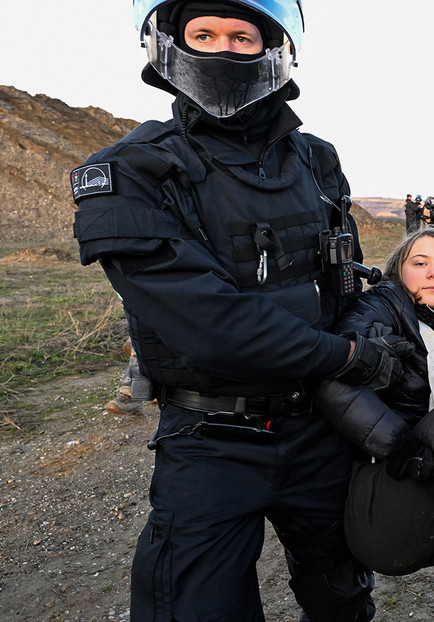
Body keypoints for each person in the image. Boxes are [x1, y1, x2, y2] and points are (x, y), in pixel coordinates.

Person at [69, 2, 403, 620]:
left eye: (242, 36)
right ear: (169, 45)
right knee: (196, 606)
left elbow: (347, 281)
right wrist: (350, 356)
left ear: (273, 49)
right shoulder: (129, 170)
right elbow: (208, 322)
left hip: (321, 426)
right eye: (204, 34)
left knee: (341, 593)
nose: (223, 49)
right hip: (209, 439)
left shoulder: (317, 160)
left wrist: (376, 333)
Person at [312, 227, 434, 578]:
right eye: (420, 263)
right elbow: (330, 378)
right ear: (398, 271)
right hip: (385, 515)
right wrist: (404, 445)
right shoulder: (380, 307)